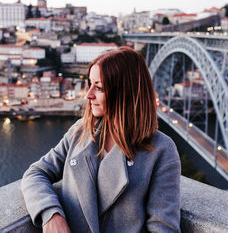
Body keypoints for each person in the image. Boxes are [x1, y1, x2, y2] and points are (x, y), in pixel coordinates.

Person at [21, 47, 181, 233]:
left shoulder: (161, 150)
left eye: (99, 87)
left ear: (125, 92)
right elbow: (36, 173)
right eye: (90, 84)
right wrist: (50, 213)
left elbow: (163, 229)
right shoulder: (81, 131)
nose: (88, 95)